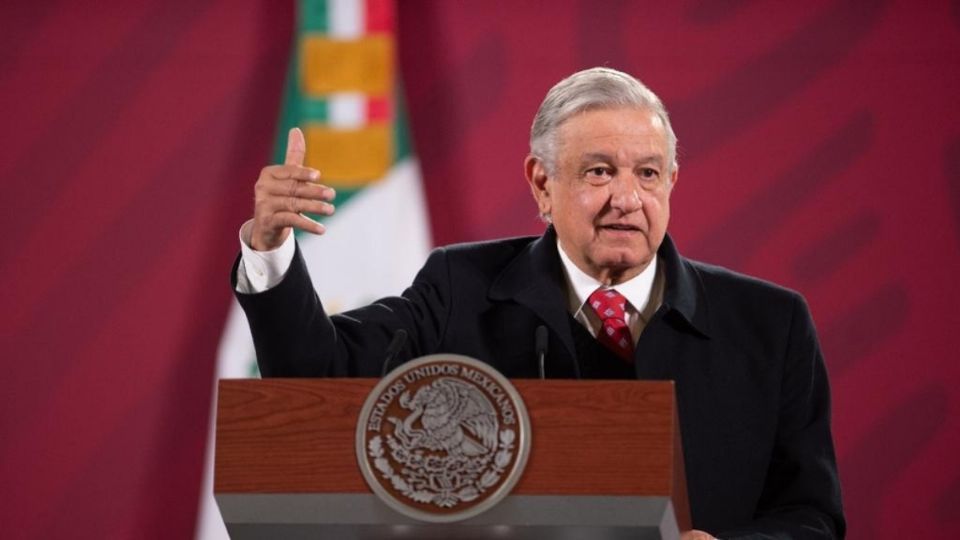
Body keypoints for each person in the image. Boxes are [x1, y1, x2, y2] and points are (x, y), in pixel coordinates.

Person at [232, 67, 845, 539]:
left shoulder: (771, 324)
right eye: (599, 172)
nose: (627, 199)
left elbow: (812, 516)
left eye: (649, 174)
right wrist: (271, 248)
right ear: (542, 184)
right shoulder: (461, 288)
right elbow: (321, 378)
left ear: (673, 183)